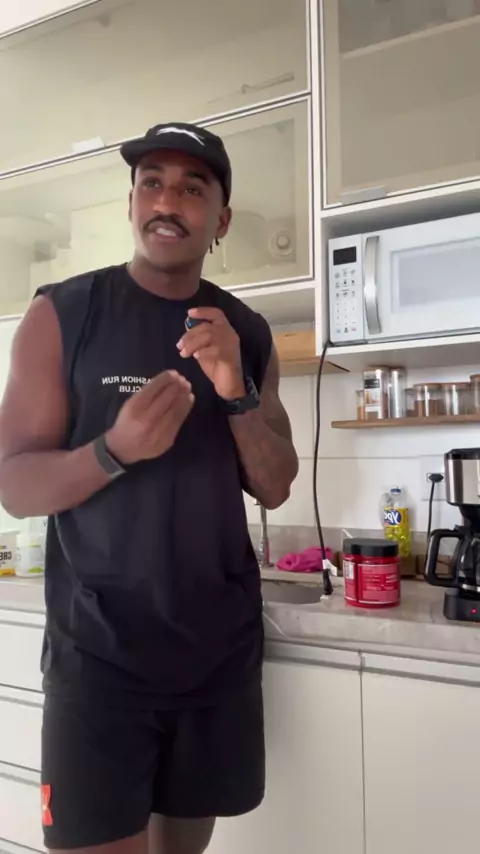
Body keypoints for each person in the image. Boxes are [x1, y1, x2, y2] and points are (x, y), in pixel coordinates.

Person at [0, 121, 298, 854]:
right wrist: (114, 451)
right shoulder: (63, 313)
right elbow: (14, 485)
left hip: (216, 658)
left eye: (193, 189)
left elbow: (276, 485)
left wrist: (235, 392)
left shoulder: (247, 332)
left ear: (220, 220)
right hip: (99, 662)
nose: (168, 201)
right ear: (132, 202)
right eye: (152, 183)